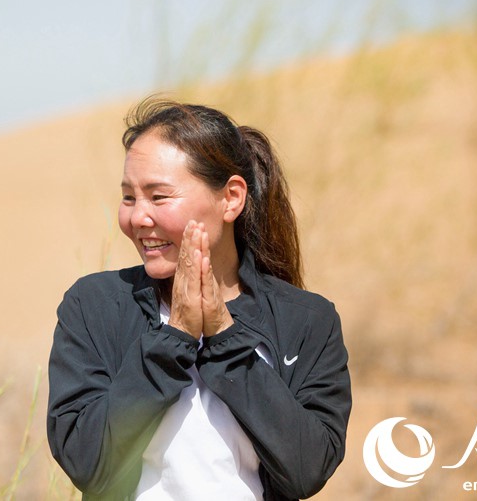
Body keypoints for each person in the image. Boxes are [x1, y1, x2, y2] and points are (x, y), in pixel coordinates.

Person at [47, 99, 351, 501]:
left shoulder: (307, 321)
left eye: (158, 197)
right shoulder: (95, 307)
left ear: (231, 198)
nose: (137, 218)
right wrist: (174, 339)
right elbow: (86, 462)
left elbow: (306, 470)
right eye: (129, 198)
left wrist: (224, 337)